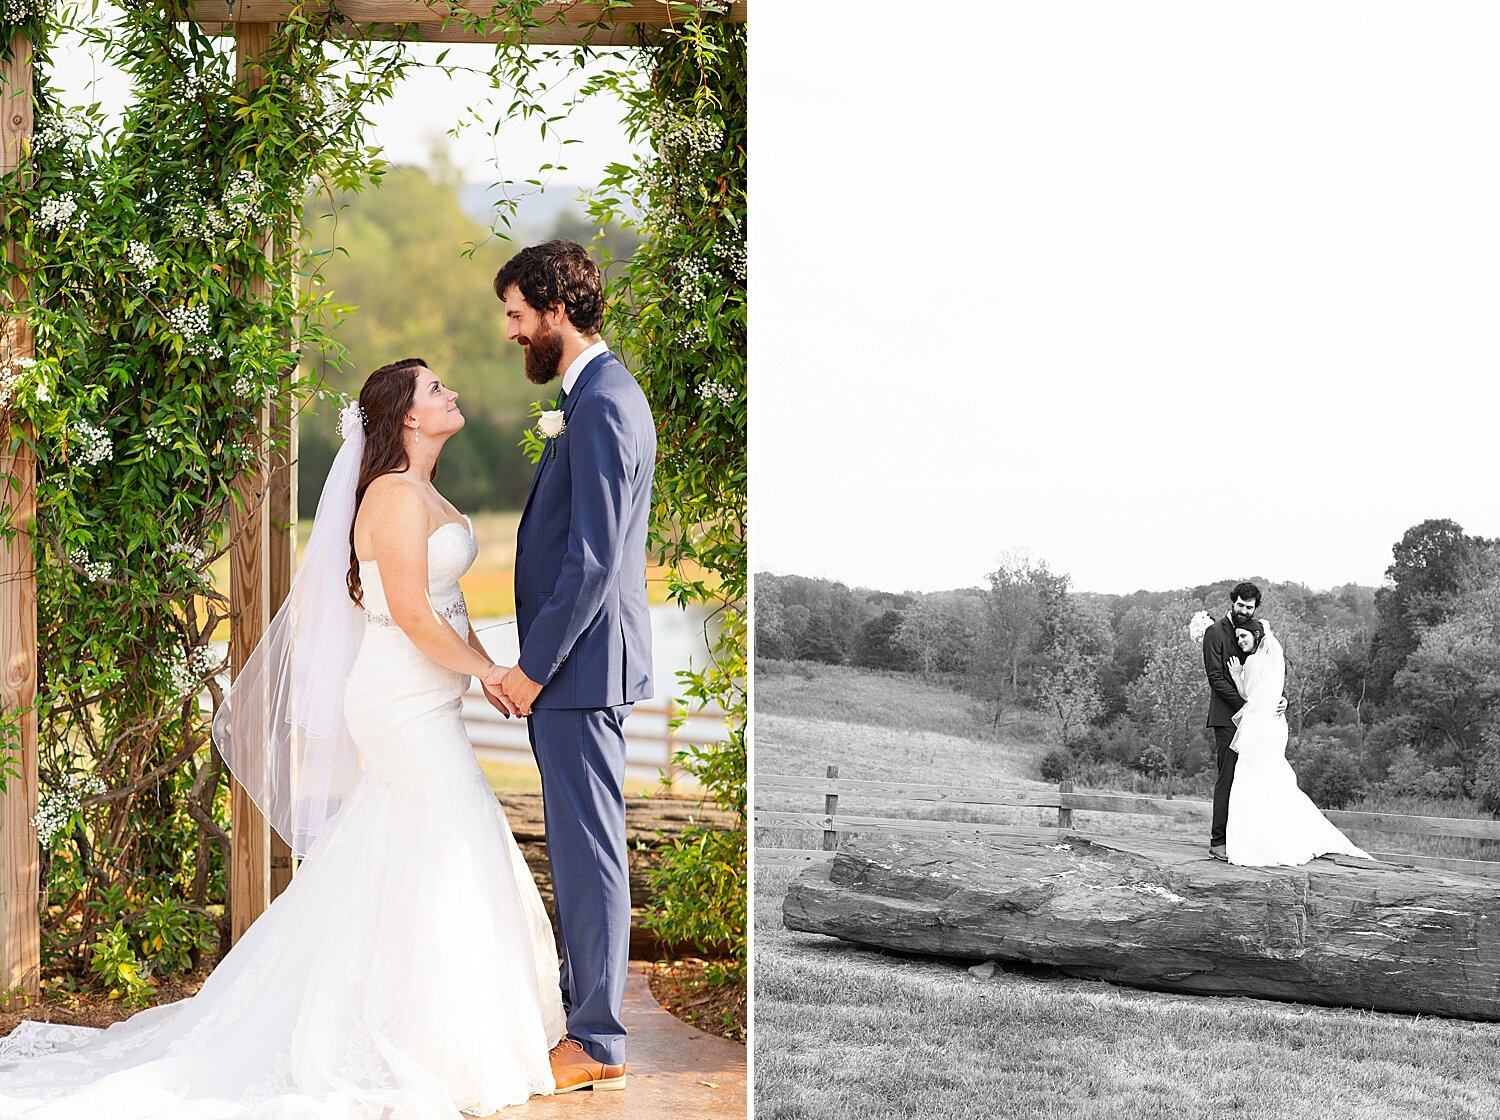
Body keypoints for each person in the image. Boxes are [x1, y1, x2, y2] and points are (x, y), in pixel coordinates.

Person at [0, 358, 567, 1117]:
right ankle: (413, 1033)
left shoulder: (423, 491)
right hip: (400, 703)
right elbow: (410, 614)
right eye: (435, 389)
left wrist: (477, 668)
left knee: (407, 841)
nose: (452, 393)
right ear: (405, 414)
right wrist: (493, 673)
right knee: (443, 835)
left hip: (426, 699)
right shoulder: (394, 498)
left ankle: (401, 1011)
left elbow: (441, 603)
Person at [487, 241, 655, 1093]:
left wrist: (530, 669)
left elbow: (592, 561)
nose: (513, 332)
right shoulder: (590, 398)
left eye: (518, 315)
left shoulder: (604, 405)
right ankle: (581, 1016)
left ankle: (597, 1039)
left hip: (579, 672)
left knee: (590, 855)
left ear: (556, 310)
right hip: (578, 671)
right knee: (580, 848)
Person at [1223, 617, 1370, 867]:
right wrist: (1284, 701)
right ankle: (1284, 834)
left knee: (1254, 777)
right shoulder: (1273, 659)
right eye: (1238, 637)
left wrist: (1236, 676)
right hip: (1274, 725)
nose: (1240, 641)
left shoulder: (1252, 662)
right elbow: (1270, 692)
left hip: (1260, 726)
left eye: (1244, 637)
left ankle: (1263, 841)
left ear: (1257, 636)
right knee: (1271, 777)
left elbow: (1249, 695)